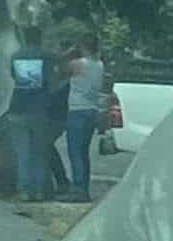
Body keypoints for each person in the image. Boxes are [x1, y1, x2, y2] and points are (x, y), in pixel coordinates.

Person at [8, 25, 51, 202]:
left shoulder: (15, 56)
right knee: (39, 152)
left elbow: (14, 77)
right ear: (40, 38)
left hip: (18, 108)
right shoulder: (46, 56)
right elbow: (49, 79)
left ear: (25, 38)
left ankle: (24, 191)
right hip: (39, 109)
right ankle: (39, 191)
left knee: (22, 152)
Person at [61, 32, 104, 203]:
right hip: (92, 110)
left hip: (77, 110)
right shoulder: (100, 65)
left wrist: (69, 52)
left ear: (82, 46)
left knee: (75, 152)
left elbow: (61, 69)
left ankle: (78, 189)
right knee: (83, 152)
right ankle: (83, 187)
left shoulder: (78, 64)